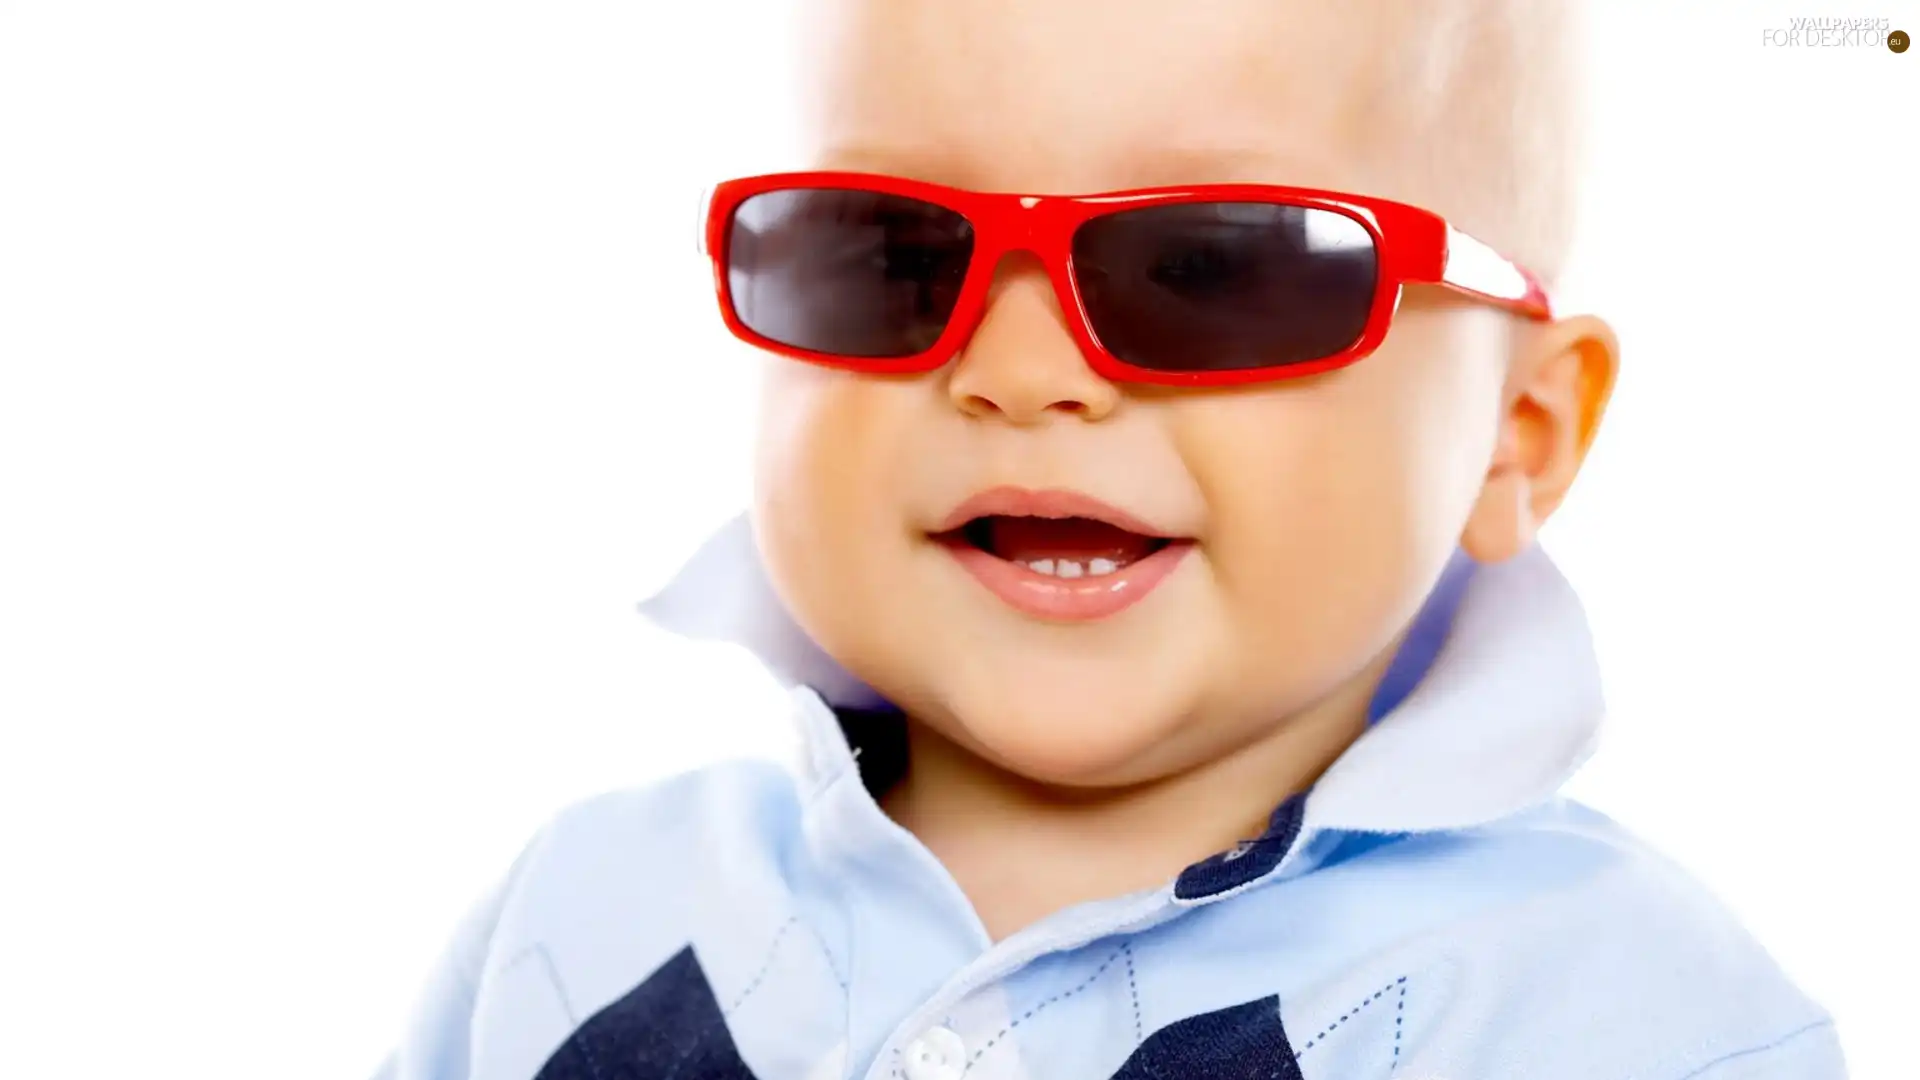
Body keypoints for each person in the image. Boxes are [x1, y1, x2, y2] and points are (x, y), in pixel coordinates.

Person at [379, 0, 1846, 1076]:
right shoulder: (579, 913)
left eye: (1212, 267)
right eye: (895, 252)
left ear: (1515, 431)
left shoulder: (1635, 1021)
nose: (1024, 371)